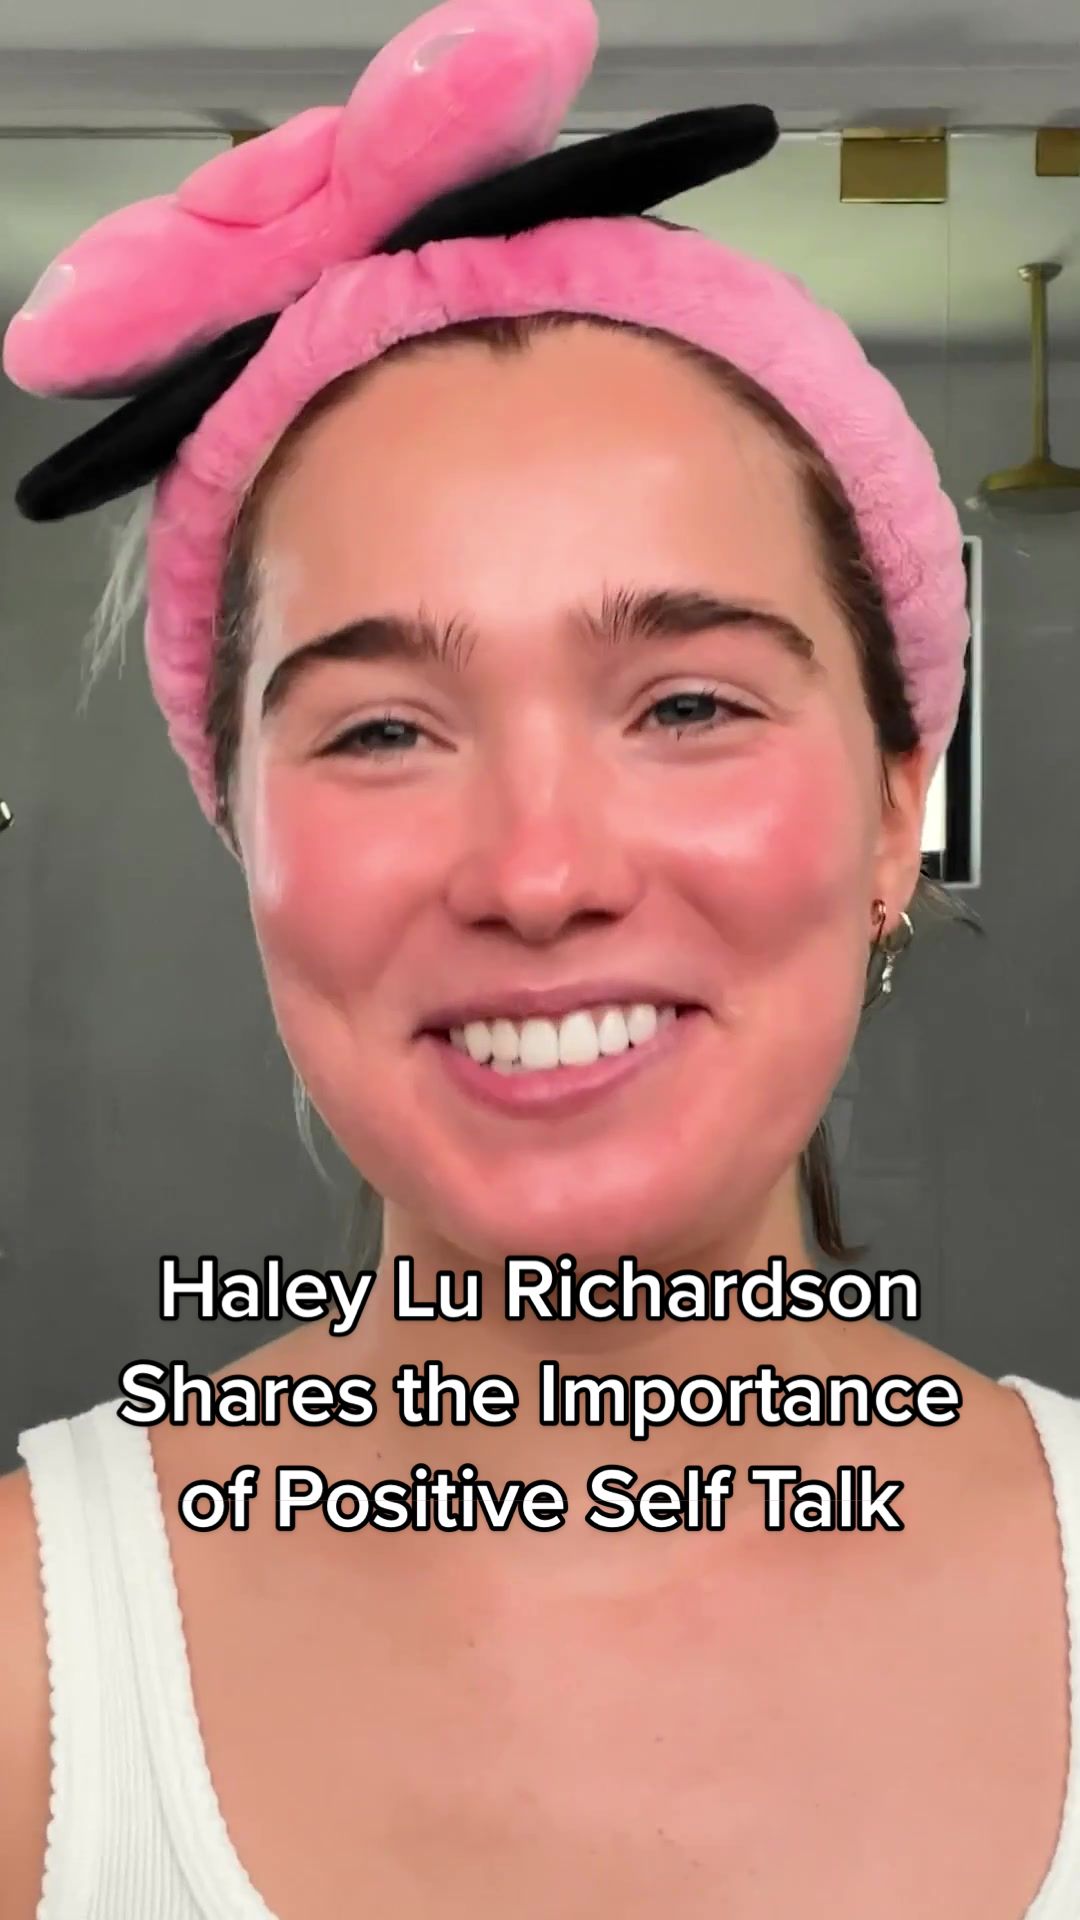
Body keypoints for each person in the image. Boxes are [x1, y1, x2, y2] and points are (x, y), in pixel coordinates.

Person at [2, 2, 1078, 1915]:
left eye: (688, 703)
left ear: (897, 802)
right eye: (380, 730)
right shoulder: (34, 1682)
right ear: (244, 834)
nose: (539, 871)